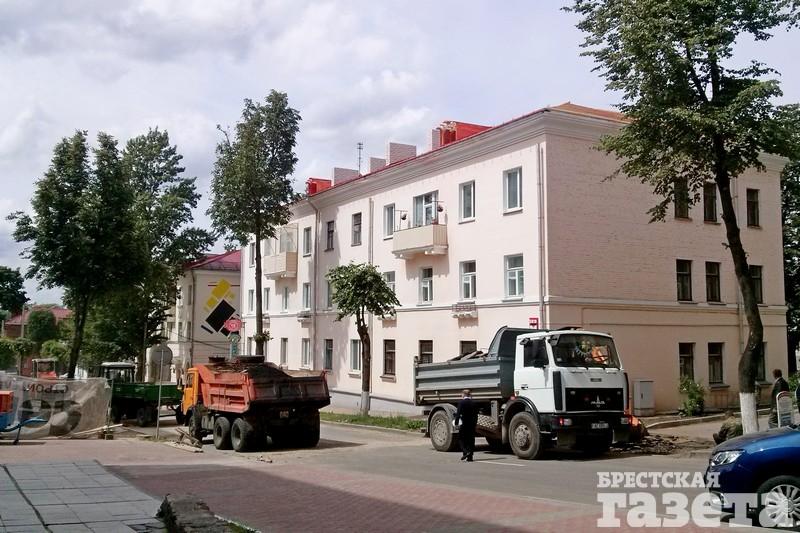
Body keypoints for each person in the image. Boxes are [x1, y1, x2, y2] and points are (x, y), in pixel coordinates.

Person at [454, 389, 478, 462]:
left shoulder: (461, 403)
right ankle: (470, 457)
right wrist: (475, 424)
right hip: (472, 424)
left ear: (463, 395)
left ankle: (466, 451)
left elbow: (458, 414)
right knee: (471, 440)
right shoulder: (474, 403)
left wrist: (456, 423)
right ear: (469, 394)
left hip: (464, 424)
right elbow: (476, 415)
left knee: (461, 439)